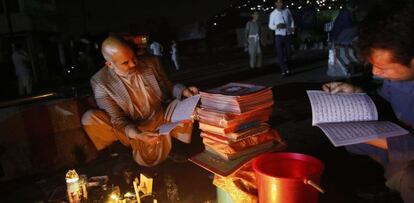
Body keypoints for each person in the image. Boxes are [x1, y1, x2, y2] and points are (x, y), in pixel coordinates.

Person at [322, 1, 414, 202]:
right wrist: (358, 94)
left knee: (410, 180)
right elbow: (385, 99)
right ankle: (385, 179)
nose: (375, 73)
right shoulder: (398, 80)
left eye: (383, 67)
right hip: (399, 141)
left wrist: (369, 136)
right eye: (372, 64)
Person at [81, 35, 199, 167]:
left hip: (160, 116)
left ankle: (176, 145)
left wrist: (183, 91)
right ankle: (123, 152)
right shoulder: (100, 82)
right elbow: (117, 119)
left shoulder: (151, 62)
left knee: (189, 104)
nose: (133, 64)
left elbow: (168, 86)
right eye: (125, 63)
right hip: (131, 124)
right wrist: (137, 134)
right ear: (110, 65)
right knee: (90, 118)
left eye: (133, 58)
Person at [268, 0, 295, 77]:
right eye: (278, 2)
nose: (280, 4)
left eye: (281, 2)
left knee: (288, 53)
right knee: (280, 54)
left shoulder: (287, 10)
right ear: (275, 3)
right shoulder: (273, 13)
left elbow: (292, 20)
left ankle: (287, 67)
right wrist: (277, 26)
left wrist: (292, 29)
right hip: (278, 35)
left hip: (287, 34)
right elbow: (270, 26)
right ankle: (284, 70)